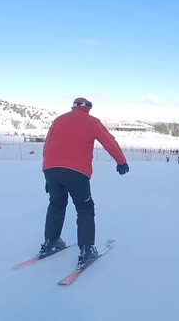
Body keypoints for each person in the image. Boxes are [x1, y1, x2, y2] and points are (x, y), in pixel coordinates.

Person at [40, 97, 128, 269]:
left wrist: (47, 176)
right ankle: (86, 250)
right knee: (85, 208)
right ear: (88, 108)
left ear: (73, 107)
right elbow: (109, 141)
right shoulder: (92, 122)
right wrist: (121, 161)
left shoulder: (58, 120)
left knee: (56, 204)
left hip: (51, 170)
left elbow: (47, 146)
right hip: (77, 172)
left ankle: (51, 241)